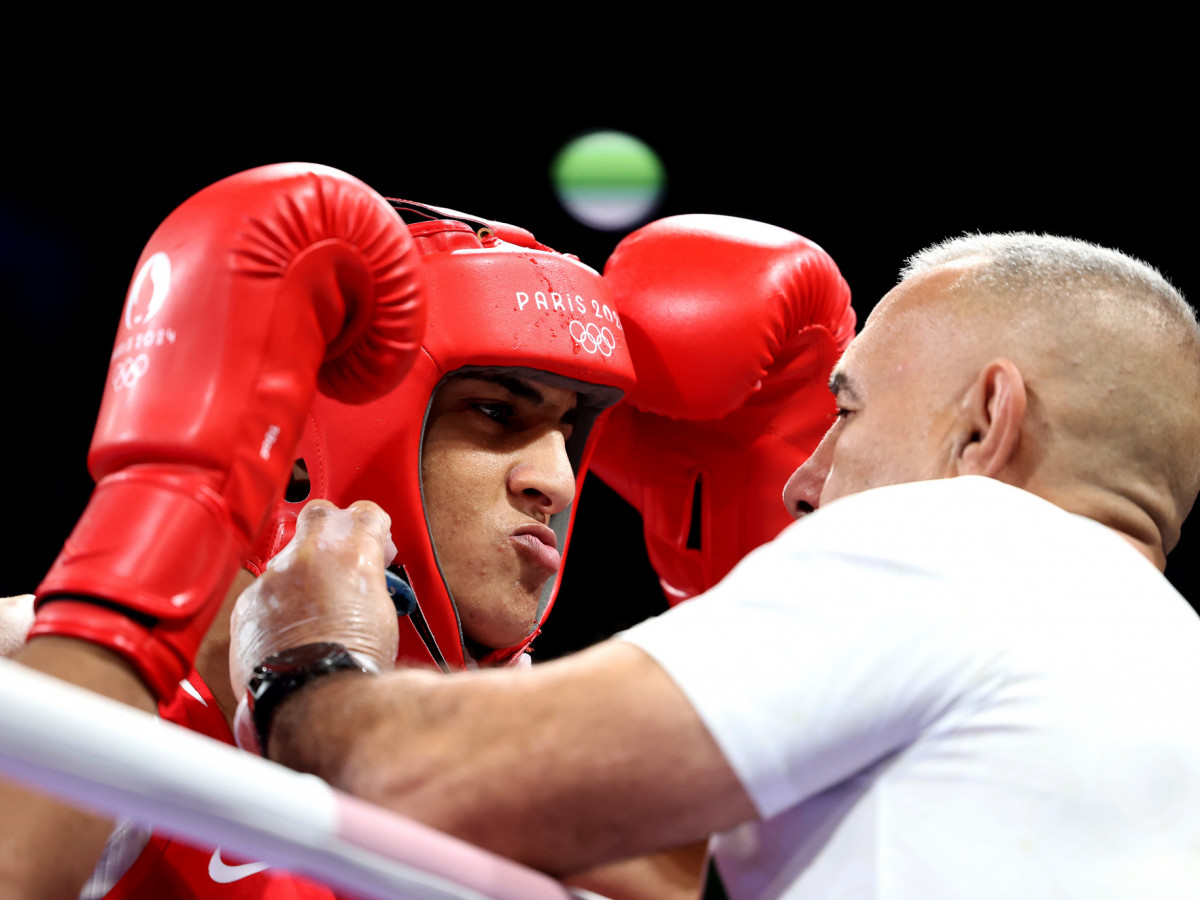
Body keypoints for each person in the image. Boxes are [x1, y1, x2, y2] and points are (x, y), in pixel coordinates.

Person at [229, 232, 1200, 899]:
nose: (802, 483)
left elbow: (446, 778)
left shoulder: (963, 547)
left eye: (848, 411)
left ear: (987, 420)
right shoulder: (1155, 653)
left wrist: (305, 660)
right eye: (498, 415)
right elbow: (645, 859)